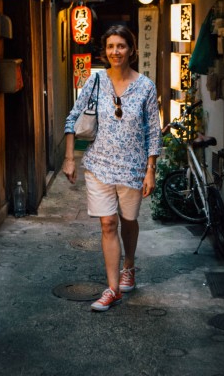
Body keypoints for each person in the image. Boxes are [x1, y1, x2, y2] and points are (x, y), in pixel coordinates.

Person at [63, 25, 162, 311]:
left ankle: (128, 265)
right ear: (105, 52)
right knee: (108, 224)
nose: (115, 52)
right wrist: (70, 158)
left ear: (131, 49)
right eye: (110, 47)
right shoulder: (94, 82)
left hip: (133, 166)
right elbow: (72, 119)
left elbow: (153, 132)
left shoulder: (145, 86)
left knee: (128, 219)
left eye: (121, 46)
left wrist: (150, 168)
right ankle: (112, 288)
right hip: (99, 165)